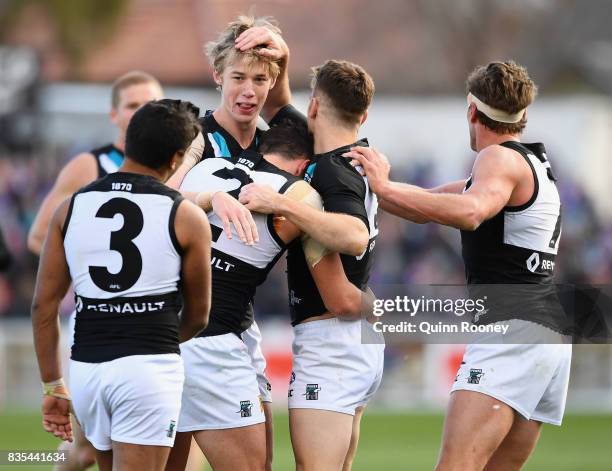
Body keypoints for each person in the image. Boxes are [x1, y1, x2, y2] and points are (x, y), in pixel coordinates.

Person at [346, 61, 570, 471]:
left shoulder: (498, 160)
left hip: (512, 329)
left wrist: (382, 186)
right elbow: (425, 205)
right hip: (545, 332)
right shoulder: (531, 163)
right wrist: (371, 183)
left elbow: (469, 212)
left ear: (472, 111)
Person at [168, 121, 371, 471]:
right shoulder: (298, 194)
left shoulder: (203, 169)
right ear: (305, 164)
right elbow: (350, 258)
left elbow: (158, 199)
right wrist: (377, 304)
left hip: (159, 335)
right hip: (212, 344)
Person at [31, 99, 212, 471]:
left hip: (87, 371)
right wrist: (148, 340)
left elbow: (43, 307)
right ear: (177, 158)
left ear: (129, 141)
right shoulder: (186, 215)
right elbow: (198, 316)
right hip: (147, 369)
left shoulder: (70, 207)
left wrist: (52, 386)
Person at [239, 60, 385, 471]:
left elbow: (344, 280)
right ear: (364, 114)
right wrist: (280, 60)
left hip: (330, 343)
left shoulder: (326, 174)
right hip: (355, 343)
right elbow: (280, 107)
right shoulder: (354, 159)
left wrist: (283, 203)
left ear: (316, 105)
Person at [26, 70, 164, 471]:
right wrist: (92, 273)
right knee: (89, 449)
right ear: (113, 115)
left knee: (173, 444)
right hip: (100, 328)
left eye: (151, 105)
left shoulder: (176, 163)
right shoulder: (91, 165)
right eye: (133, 105)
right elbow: (39, 236)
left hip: (160, 327)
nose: (142, 114)